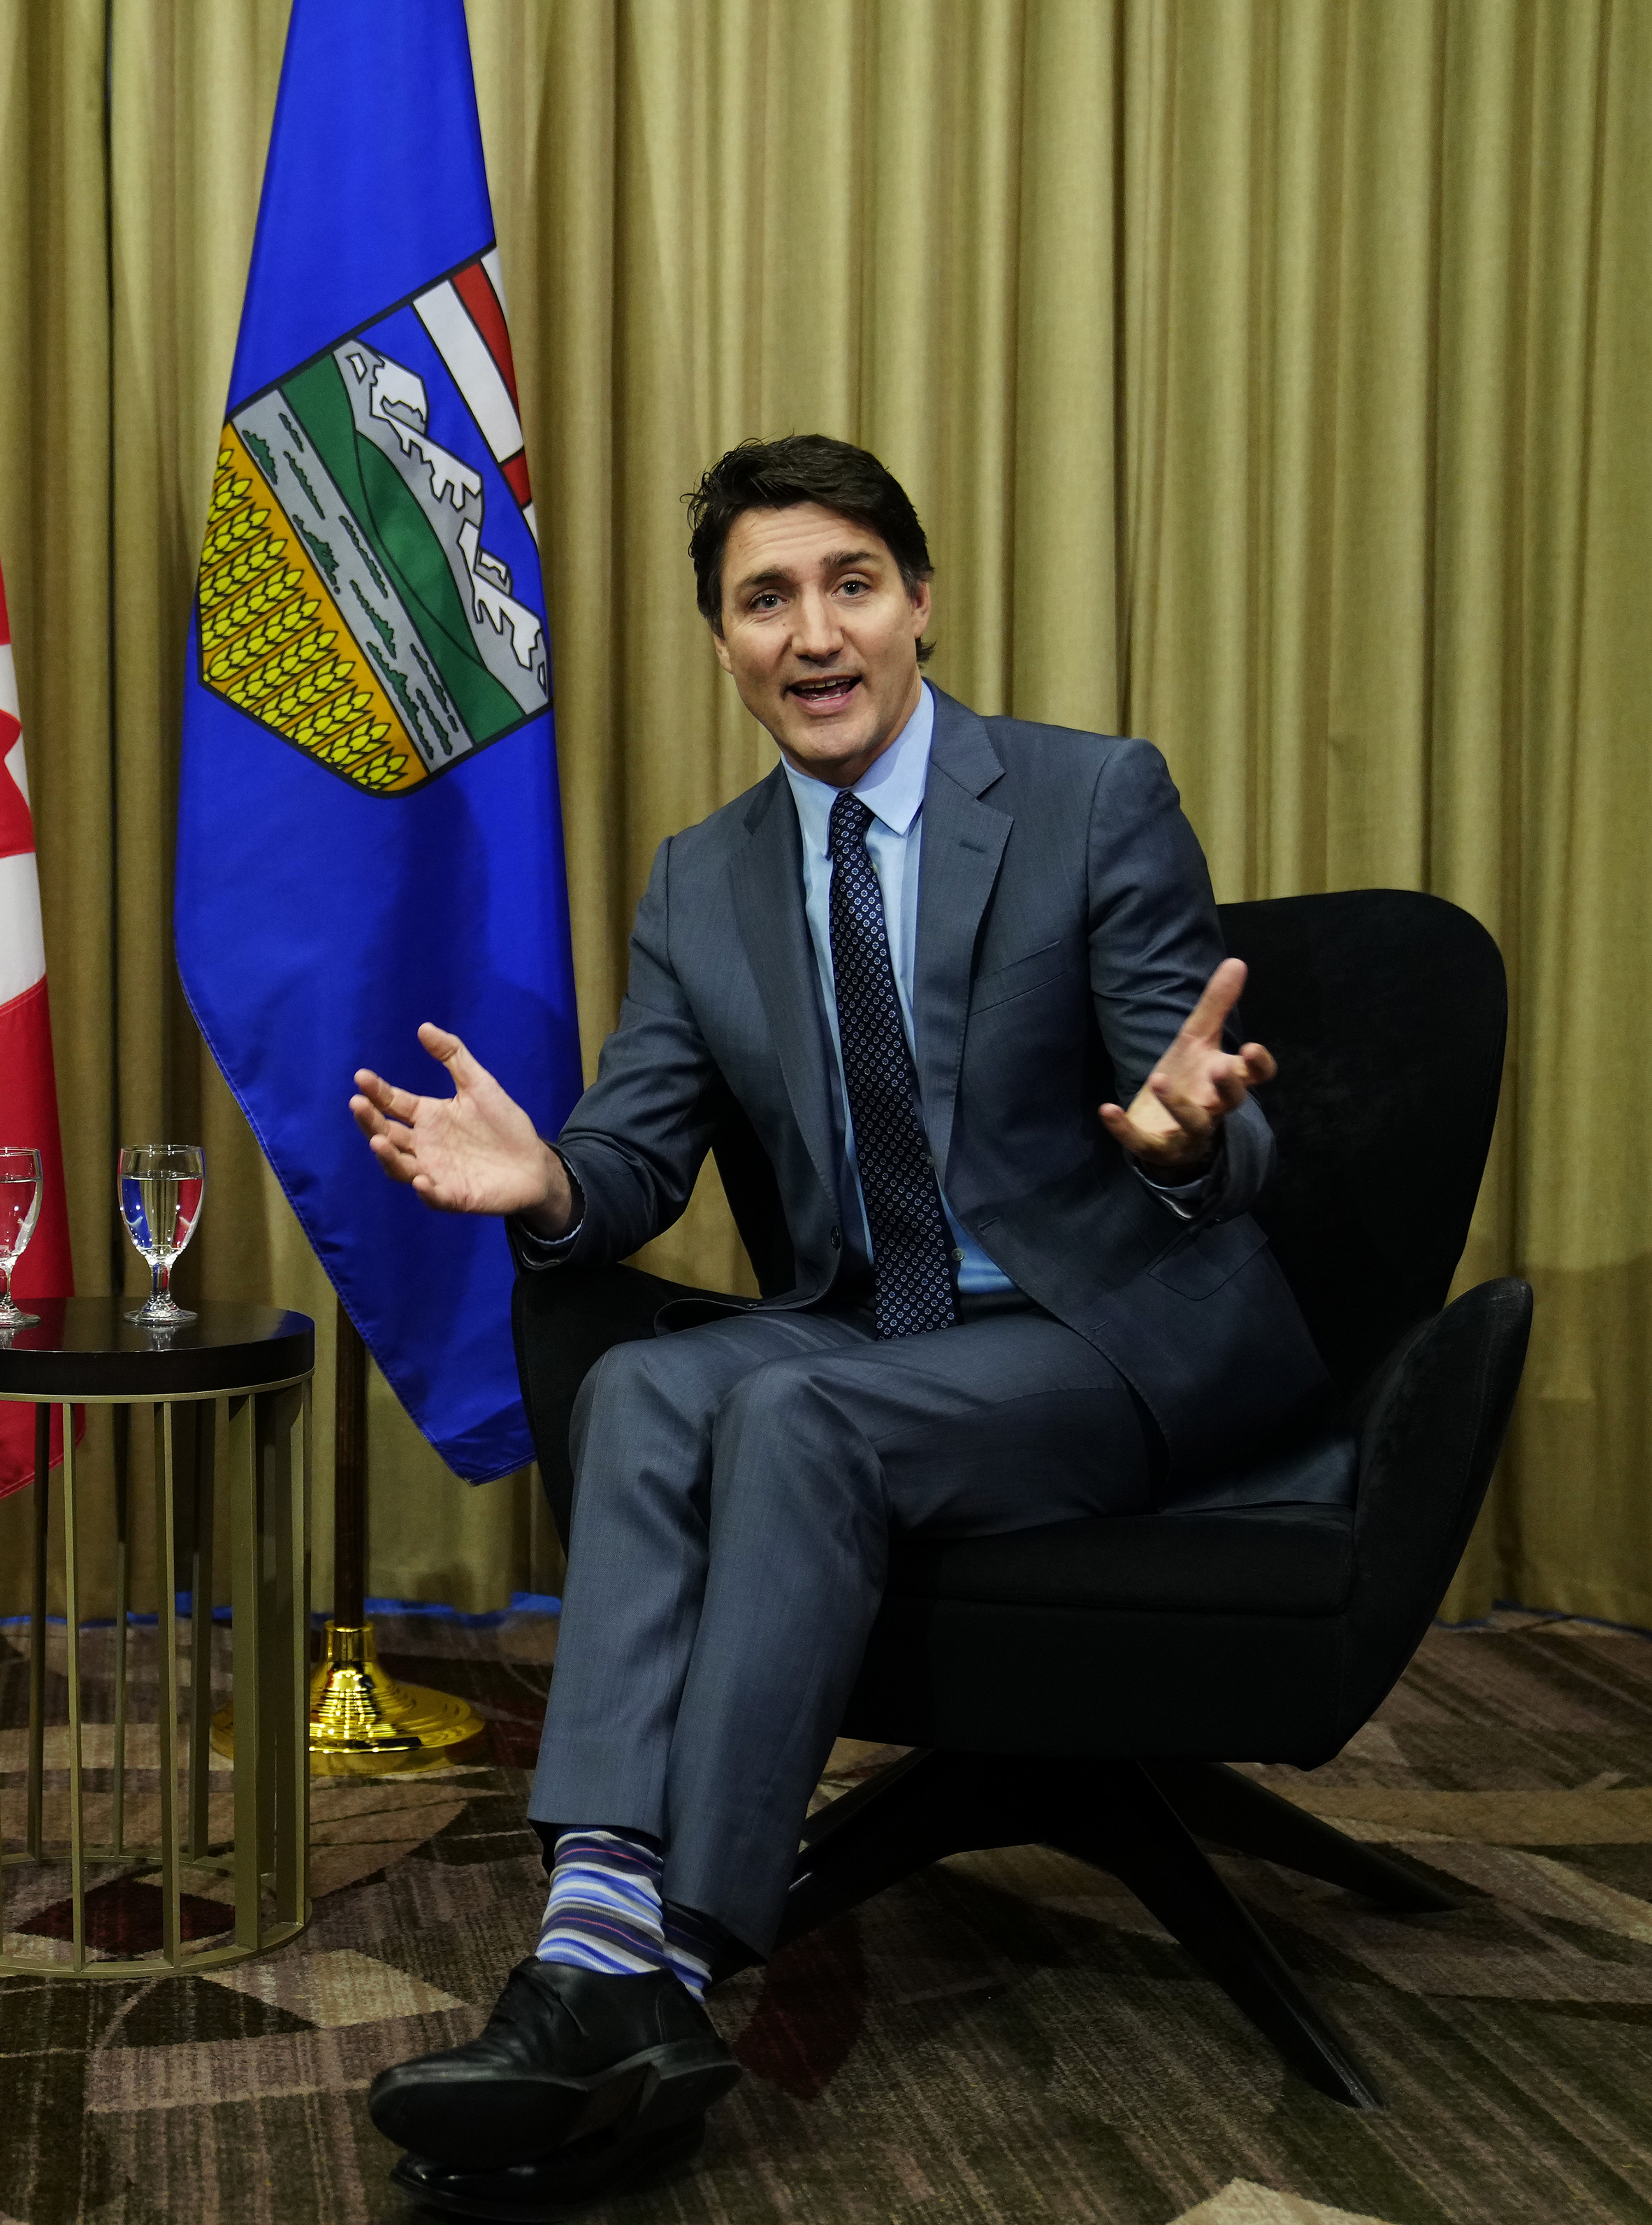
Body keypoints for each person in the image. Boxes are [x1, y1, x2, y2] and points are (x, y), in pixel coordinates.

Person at [345, 436, 1324, 2215]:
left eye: (850, 583)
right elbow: (635, 1155)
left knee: (794, 1415)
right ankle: (593, 1937)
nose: (814, 632)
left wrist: (1195, 1136)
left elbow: (1206, 1101)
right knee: (649, 1386)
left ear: (919, 604)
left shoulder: (1090, 795)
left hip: (1106, 1334)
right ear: (724, 642)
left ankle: (664, 1972)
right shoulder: (701, 879)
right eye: (765, 598)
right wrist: (548, 1182)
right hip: (880, 1327)